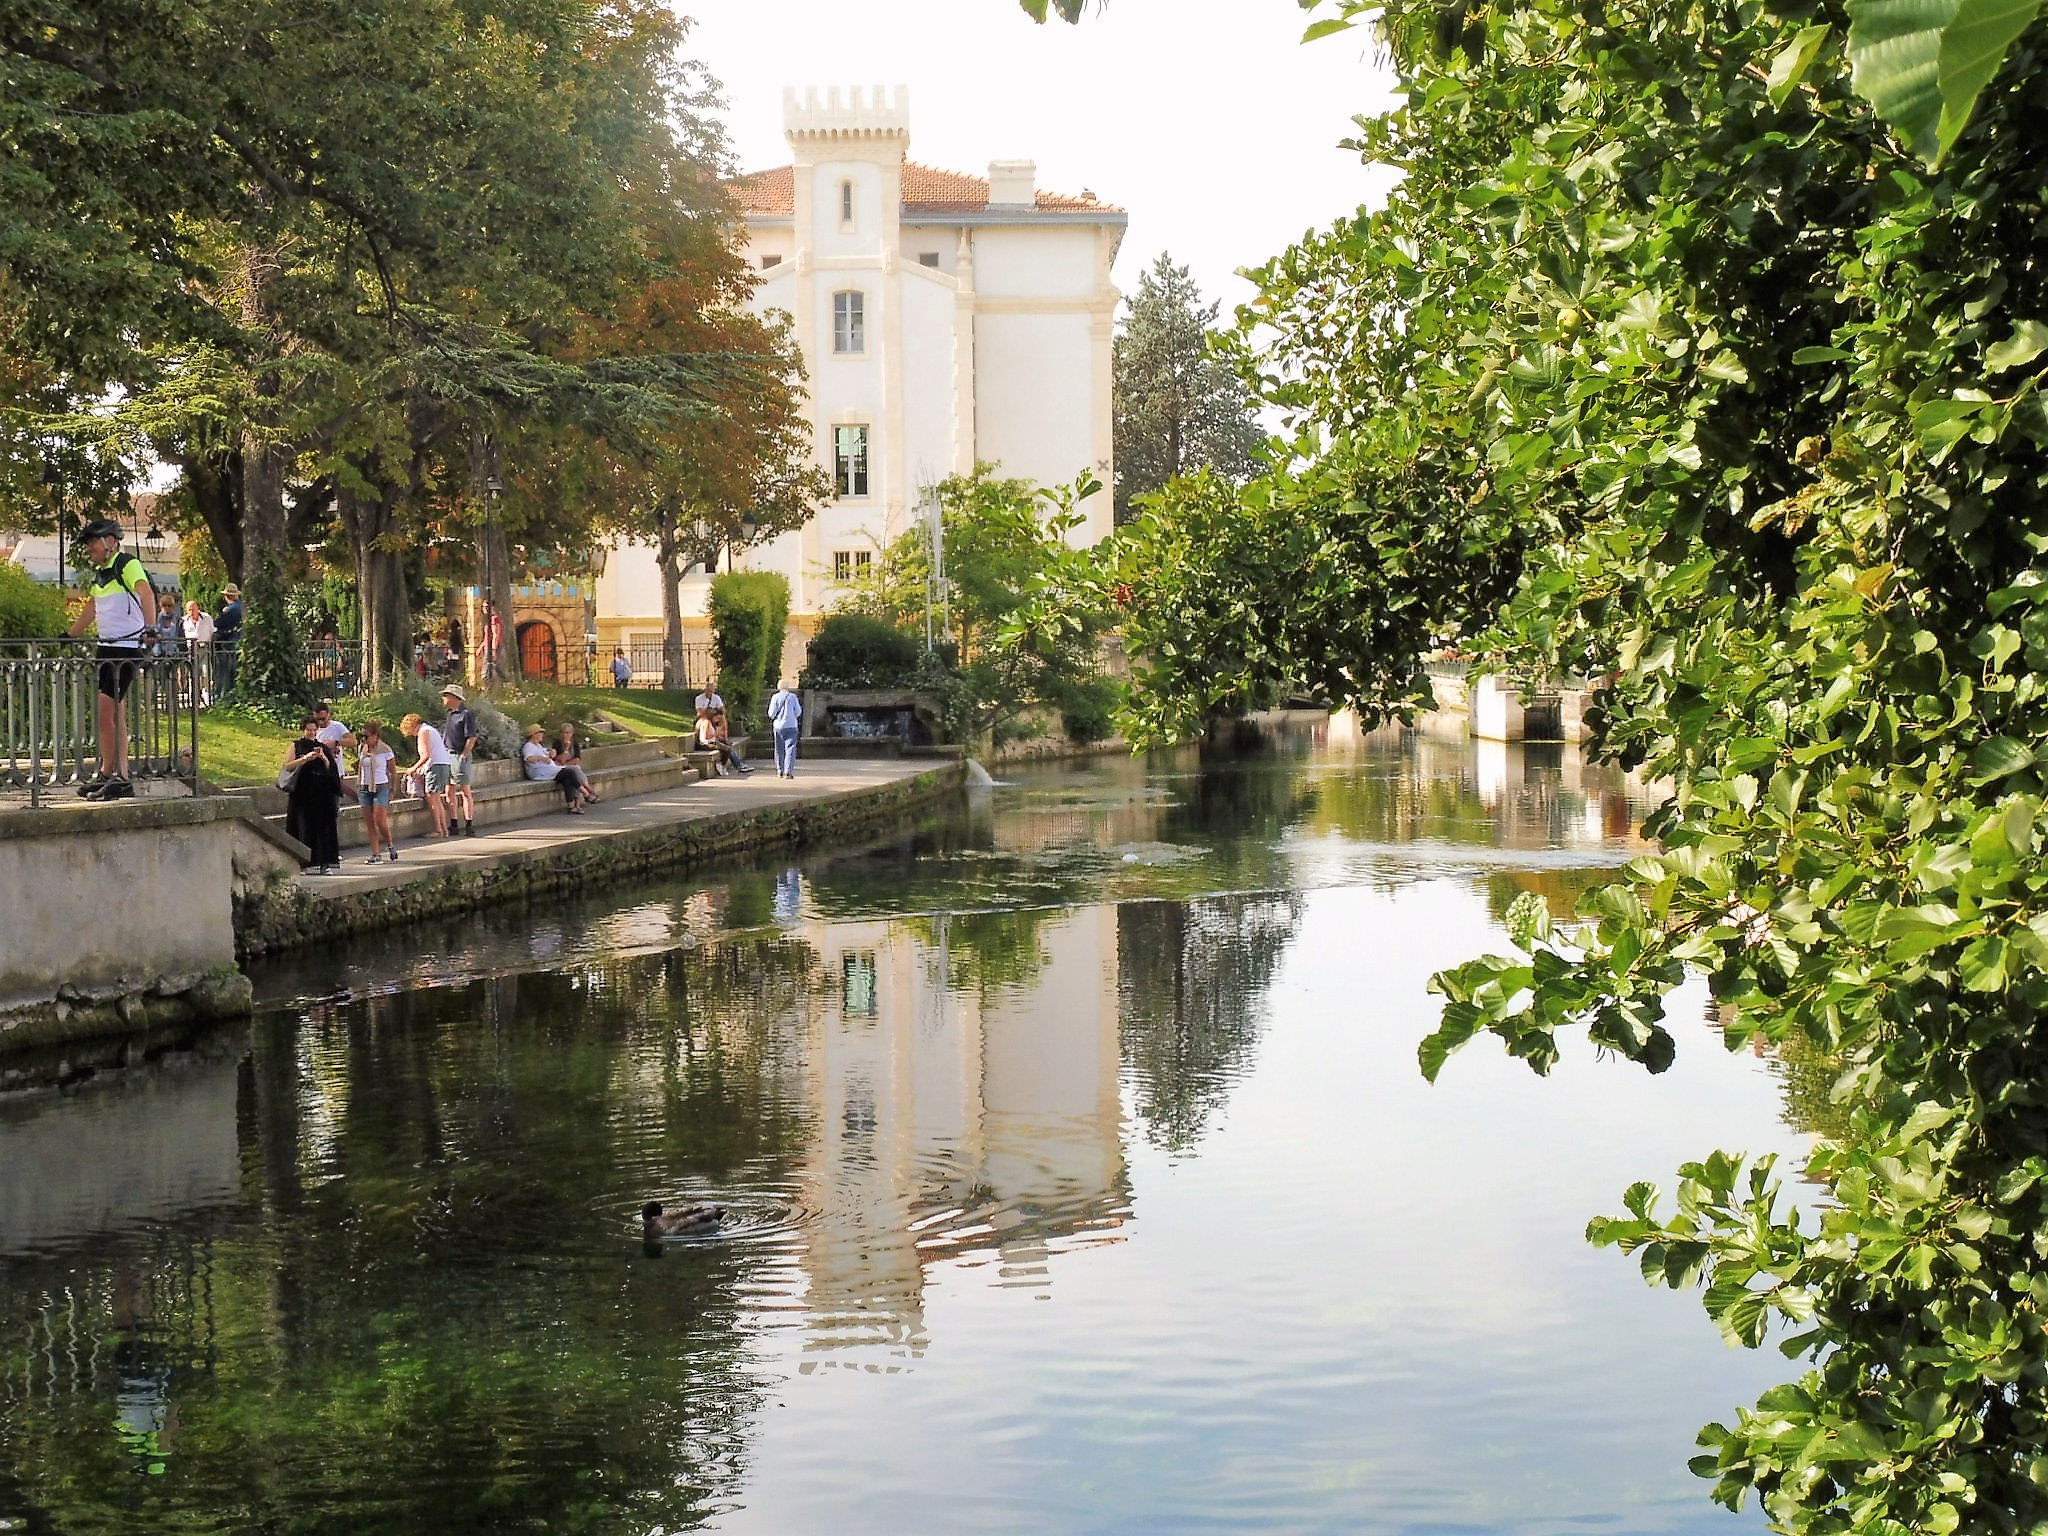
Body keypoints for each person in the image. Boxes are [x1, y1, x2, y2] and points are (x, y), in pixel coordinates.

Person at [66, 518, 159, 801]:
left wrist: (151, 628)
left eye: (92, 542)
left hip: (126, 648)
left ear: (109, 541)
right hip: (106, 648)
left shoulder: (126, 564)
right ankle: (112, 775)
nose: (89, 548)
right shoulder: (101, 574)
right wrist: (70, 635)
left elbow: (145, 592)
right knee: (112, 713)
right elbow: (93, 607)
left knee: (107, 713)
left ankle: (118, 777)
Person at [283, 716, 342, 875]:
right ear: (304, 730)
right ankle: (303, 862)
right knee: (302, 826)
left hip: (321, 793)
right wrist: (304, 759)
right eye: (309, 730)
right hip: (302, 793)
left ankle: (324, 862)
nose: (311, 733)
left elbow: (331, 769)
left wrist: (323, 757)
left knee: (322, 828)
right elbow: (288, 766)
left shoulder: (322, 747)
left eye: (314, 730)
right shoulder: (296, 745)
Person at [400, 711, 454, 836]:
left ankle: (439, 830)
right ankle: (444, 829)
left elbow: (426, 755)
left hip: (436, 766)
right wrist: (422, 767)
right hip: (442, 764)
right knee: (437, 799)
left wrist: (413, 768)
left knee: (432, 799)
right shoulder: (429, 729)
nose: (411, 734)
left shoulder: (423, 732)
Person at [353, 720, 398, 863]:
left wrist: (393, 789)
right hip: (365, 787)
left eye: (366, 736)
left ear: (375, 736)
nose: (364, 739)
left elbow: (393, 771)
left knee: (379, 819)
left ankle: (390, 844)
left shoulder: (385, 750)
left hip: (381, 786)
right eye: (362, 736)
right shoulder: (362, 748)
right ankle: (376, 853)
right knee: (369, 822)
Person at [523, 723, 591, 812]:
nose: (542, 735)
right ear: (534, 735)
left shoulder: (538, 746)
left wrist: (552, 752)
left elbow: (548, 754)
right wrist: (541, 758)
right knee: (570, 771)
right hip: (540, 773)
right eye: (540, 733)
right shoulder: (528, 746)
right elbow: (528, 758)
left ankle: (571, 806)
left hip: (549, 770)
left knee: (567, 779)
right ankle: (585, 793)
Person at [441, 685, 479, 835]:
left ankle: (469, 824)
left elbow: (471, 737)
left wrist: (464, 755)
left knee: (464, 789)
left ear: (453, 697)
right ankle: (454, 823)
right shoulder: (450, 714)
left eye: (446, 696)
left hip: (459, 755)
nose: (443, 699)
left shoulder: (466, 714)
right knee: (449, 789)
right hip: (448, 754)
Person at [554, 723, 600, 804]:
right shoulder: (557, 743)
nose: (565, 735)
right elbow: (561, 760)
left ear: (572, 733)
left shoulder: (574, 743)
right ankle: (589, 791)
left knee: (575, 770)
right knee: (575, 770)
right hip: (560, 769)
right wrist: (566, 748)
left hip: (569, 766)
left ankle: (583, 797)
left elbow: (577, 759)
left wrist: (566, 764)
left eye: (568, 733)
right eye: (564, 733)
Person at [212, 583, 243, 700]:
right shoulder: (242, 607)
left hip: (229, 642)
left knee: (226, 671)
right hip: (239, 641)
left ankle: (225, 696)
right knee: (236, 671)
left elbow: (217, 623)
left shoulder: (230, 610)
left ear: (227, 596)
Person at [768, 677, 802, 779]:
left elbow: (771, 714)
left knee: (779, 749)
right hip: (791, 725)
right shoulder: (793, 697)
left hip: (778, 726)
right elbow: (798, 712)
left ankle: (780, 770)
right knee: (790, 748)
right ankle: (788, 772)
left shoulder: (775, 697)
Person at [709, 707, 752, 776]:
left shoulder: (719, 722)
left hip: (718, 741)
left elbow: (724, 732)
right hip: (711, 742)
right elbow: (712, 736)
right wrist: (719, 730)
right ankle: (738, 765)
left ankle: (737, 765)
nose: (719, 719)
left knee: (729, 747)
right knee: (728, 748)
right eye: (718, 718)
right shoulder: (709, 724)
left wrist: (725, 739)